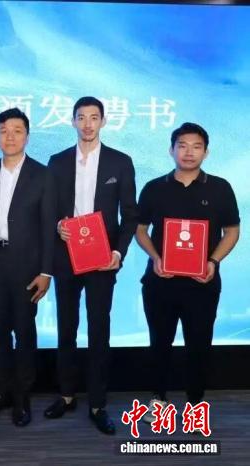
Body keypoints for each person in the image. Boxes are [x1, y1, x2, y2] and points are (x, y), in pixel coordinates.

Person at [135, 122, 239, 422]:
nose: (189, 152)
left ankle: (195, 404)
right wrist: (156, 257)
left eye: (196, 146)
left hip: (202, 283)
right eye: (182, 145)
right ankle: (158, 399)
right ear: (171, 150)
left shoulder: (220, 188)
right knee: (159, 344)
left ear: (206, 152)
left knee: (199, 345)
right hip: (160, 282)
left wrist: (213, 262)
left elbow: (232, 231)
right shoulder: (154, 188)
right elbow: (140, 230)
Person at [45, 97, 137, 434]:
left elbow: (130, 215)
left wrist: (118, 253)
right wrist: (58, 225)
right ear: (72, 121)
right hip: (66, 257)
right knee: (66, 328)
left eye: (94, 117)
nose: (87, 124)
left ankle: (98, 403)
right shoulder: (57, 162)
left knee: (99, 329)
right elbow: (48, 209)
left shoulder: (120, 162)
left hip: (102, 260)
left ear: (103, 121)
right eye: (81, 117)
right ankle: (66, 395)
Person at [0, 108, 56, 427]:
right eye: (3, 130)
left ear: (27, 136)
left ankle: (22, 398)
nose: (9, 136)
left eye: (17, 130)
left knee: (24, 331)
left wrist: (46, 272)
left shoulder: (43, 174)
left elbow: (49, 226)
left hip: (27, 266)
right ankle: (1, 393)